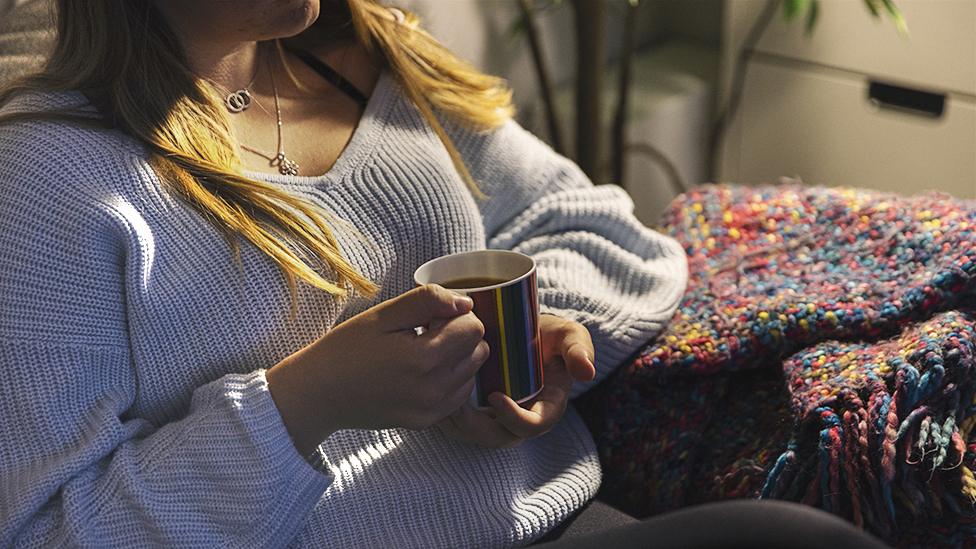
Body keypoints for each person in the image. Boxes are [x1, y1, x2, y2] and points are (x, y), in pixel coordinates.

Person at [0, 1, 887, 548]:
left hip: (550, 509)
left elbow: (601, 230)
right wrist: (304, 401)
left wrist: (546, 340)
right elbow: (46, 531)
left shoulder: (361, 68)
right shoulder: (50, 181)